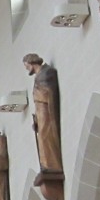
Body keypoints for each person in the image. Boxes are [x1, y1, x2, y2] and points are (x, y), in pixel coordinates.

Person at [23, 54, 63, 184]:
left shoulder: (47, 72)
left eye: (26, 65)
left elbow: (49, 92)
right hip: (41, 112)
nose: (26, 68)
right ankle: (46, 164)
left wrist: (39, 94)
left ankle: (52, 164)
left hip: (47, 110)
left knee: (47, 135)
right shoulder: (38, 77)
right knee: (42, 138)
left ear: (32, 62)